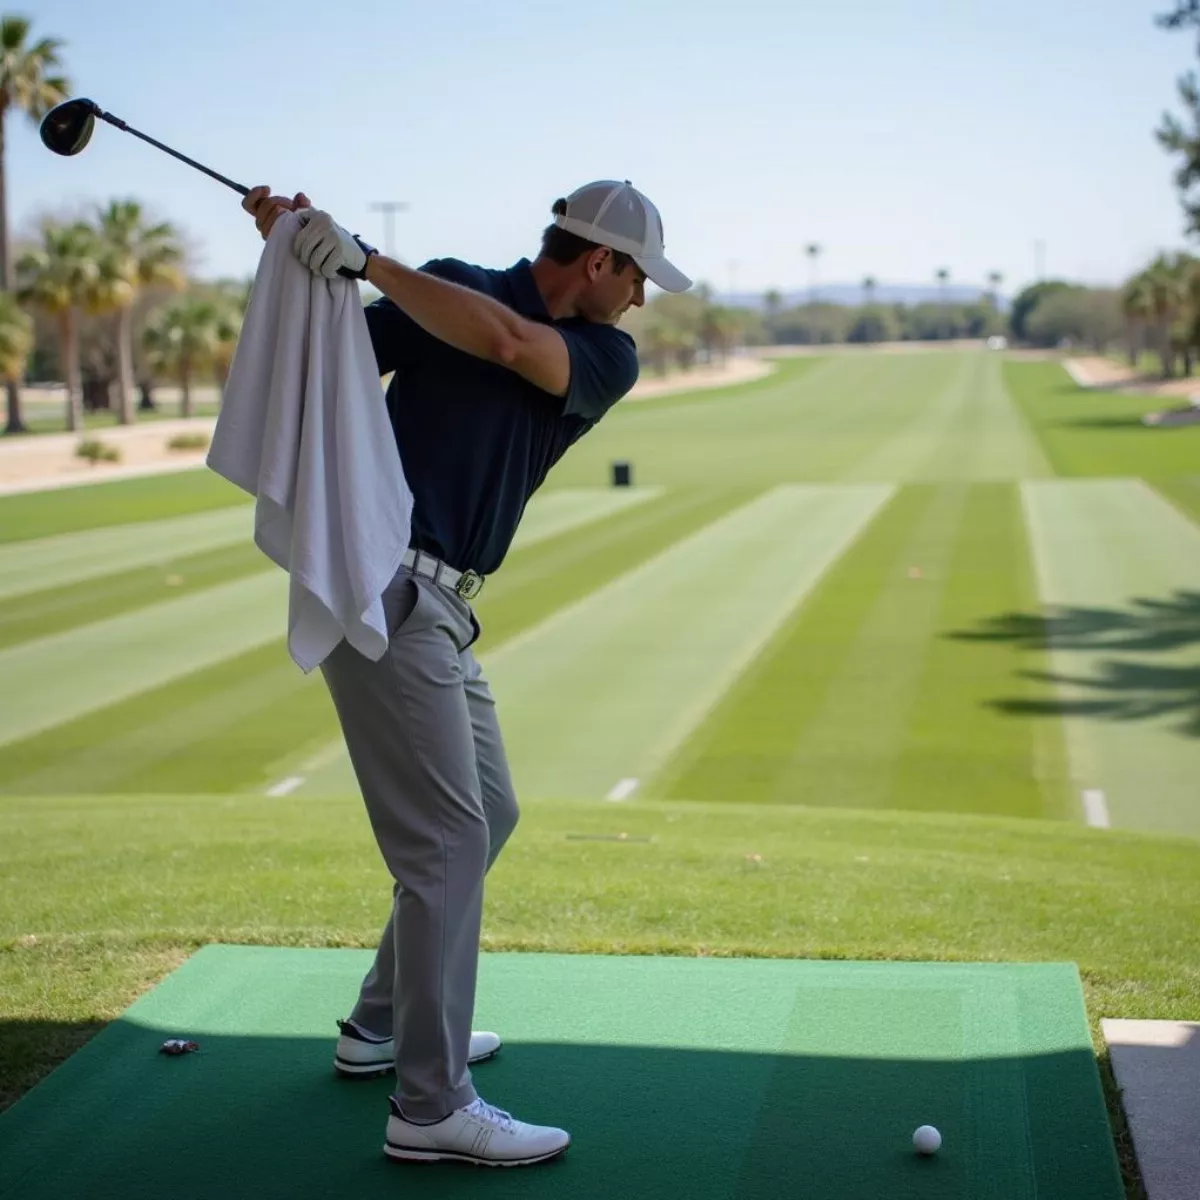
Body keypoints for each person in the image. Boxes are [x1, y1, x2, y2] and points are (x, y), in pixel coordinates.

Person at [240, 179, 691, 1168]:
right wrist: (297, 254)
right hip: (386, 592)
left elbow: (505, 343)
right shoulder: (443, 287)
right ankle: (432, 1105)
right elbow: (327, 348)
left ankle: (378, 1028)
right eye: (639, 277)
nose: (642, 300)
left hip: (445, 610)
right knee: (446, 842)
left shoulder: (602, 354)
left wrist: (365, 259)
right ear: (601, 260)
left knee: (489, 814)